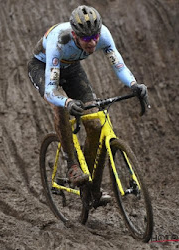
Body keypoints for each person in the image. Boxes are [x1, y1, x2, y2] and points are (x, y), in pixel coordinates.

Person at [28, 5, 148, 204]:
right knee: (60, 108)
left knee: (95, 123)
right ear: (74, 35)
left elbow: (119, 65)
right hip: (43, 68)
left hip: (72, 69)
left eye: (95, 37)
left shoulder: (104, 35)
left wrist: (134, 84)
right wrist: (66, 101)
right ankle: (72, 165)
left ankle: (91, 189)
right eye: (85, 39)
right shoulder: (60, 41)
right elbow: (51, 90)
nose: (92, 43)